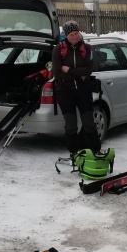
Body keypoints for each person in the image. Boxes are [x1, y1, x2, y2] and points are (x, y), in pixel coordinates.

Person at [51, 20, 100, 155]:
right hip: (65, 92)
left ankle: (96, 150)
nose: (74, 37)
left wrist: (69, 70)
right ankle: (73, 152)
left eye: (76, 33)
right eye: (71, 34)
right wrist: (79, 73)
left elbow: (88, 70)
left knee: (89, 123)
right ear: (66, 35)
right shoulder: (58, 49)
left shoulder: (87, 48)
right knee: (71, 125)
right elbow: (57, 73)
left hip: (83, 90)